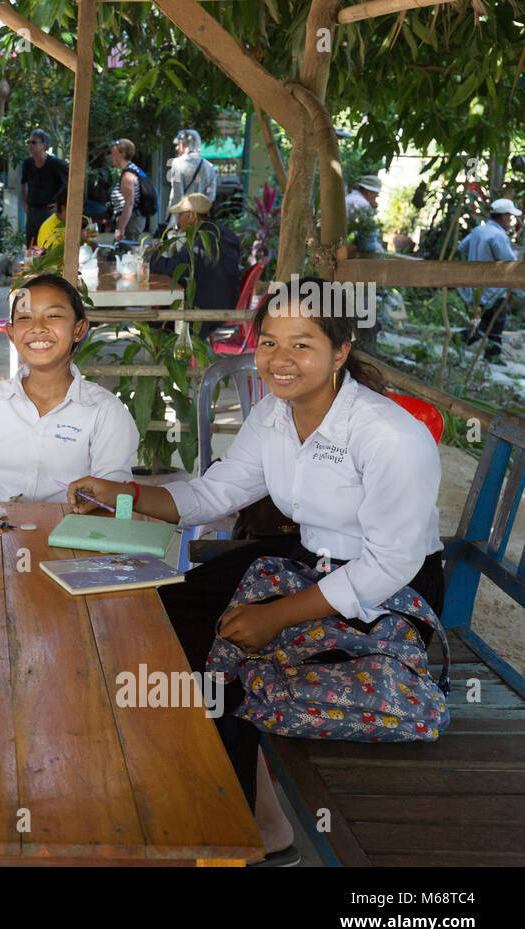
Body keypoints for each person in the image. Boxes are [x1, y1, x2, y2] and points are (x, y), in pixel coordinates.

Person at [65, 277, 444, 865]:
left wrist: (278, 615)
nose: (280, 361)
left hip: (389, 594)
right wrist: (126, 493)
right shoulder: (273, 414)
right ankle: (214, 791)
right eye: (269, 342)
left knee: (235, 660)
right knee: (164, 611)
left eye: (302, 344)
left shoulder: (389, 435)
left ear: (340, 351)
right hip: (308, 566)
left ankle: (255, 829)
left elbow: (392, 561)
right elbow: (218, 492)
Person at [0, 274, 137, 502]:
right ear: (11, 333)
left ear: (78, 330)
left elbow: (115, 499)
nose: (38, 328)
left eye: (53, 315)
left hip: (68, 533)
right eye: (25, 318)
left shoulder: (104, 411)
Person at [149, 193, 241, 338]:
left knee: (153, 322)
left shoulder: (199, 240)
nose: (177, 219)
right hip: (227, 301)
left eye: (180, 215)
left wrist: (152, 255)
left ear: (191, 216)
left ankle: (170, 358)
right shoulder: (225, 233)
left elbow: (171, 269)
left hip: (204, 309)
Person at [457, 197, 522, 359]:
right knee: (491, 323)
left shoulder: (480, 230)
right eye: (509, 217)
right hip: (493, 288)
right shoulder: (498, 236)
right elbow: (509, 262)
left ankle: (493, 354)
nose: (510, 220)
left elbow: (462, 247)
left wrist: (478, 255)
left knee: (494, 323)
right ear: (503, 216)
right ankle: (459, 340)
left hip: (475, 285)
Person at [21, 129, 69, 250]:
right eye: (29, 142)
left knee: (46, 247)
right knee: (31, 246)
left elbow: (69, 182)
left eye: (34, 142)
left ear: (44, 145)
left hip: (48, 211)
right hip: (32, 211)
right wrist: (24, 202)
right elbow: (23, 182)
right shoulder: (27, 163)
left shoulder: (55, 164)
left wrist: (60, 203)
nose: (30, 145)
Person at [165, 129, 217, 228]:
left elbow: (177, 195)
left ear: (185, 145)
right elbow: (211, 196)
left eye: (178, 144)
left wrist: (173, 218)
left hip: (182, 217)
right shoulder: (209, 166)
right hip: (200, 219)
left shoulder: (177, 163)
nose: (176, 148)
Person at [108, 138, 151, 242]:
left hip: (130, 223)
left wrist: (121, 229)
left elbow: (129, 203)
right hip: (131, 221)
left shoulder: (128, 175)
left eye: (113, 153)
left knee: (126, 255)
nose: (111, 156)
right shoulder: (132, 170)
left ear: (122, 154)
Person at [36, 186, 93, 251]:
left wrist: (94, 246)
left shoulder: (79, 220)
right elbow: (56, 257)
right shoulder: (49, 229)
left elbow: (87, 244)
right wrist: (78, 238)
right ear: (64, 208)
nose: (82, 210)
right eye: (78, 207)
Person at [345, 174, 384, 254]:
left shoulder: (351, 197)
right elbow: (367, 230)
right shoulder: (362, 203)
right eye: (375, 195)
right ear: (368, 192)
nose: (376, 198)